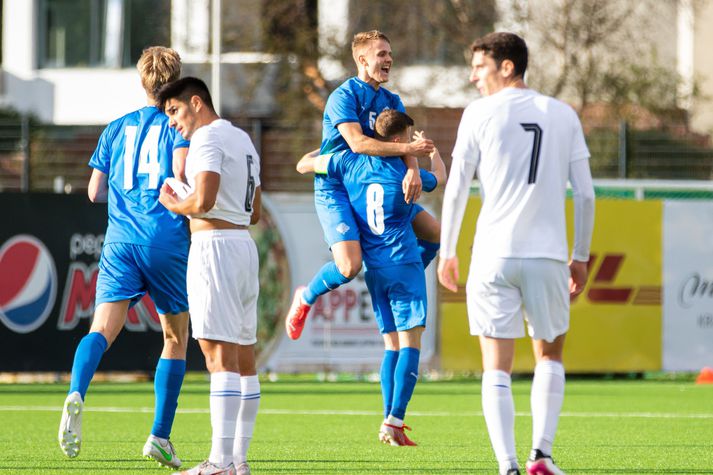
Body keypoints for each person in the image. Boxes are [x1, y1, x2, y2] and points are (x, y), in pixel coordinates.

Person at [437, 32, 595, 475]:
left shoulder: (478, 113)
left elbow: (457, 188)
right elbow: (585, 194)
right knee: (550, 356)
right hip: (547, 256)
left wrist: (449, 250)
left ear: (508, 67)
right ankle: (541, 456)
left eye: (480, 67)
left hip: (492, 256)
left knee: (496, 367)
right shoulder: (563, 114)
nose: (473, 78)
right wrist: (579, 255)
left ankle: (507, 465)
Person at [58, 46, 190, 469]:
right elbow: (186, 180)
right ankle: (159, 436)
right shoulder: (181, 128)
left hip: (120, 242)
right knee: (175, 339)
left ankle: (77, 390)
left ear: (142, 81)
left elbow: (95, 190)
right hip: (165, 240)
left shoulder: (116, 128)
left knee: (101, 329)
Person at [297, 109, 446, 446]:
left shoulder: (349, 163)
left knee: (391, 345)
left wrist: (322, 155)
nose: (410, 143)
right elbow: (440, 177)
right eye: (407, 138)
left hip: (374, 271)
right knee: (411, 345)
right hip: (404, 263)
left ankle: (388, 420)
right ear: (396, 140)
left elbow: (304, 164)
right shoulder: (407, 175)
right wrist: (432, 152)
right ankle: (394, 420)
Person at [285, 30, 441, 340]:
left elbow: (404, 138)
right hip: (337, 187)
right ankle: (305, 297)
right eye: (382, 54)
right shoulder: (343, 96)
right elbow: (356, 144)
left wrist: (411, 168)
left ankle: (398, 273)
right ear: (362, 59)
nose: (389, 59)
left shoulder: (392, 100)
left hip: (375, 182)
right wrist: (411, 153)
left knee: (436, 234)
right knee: (348, 267)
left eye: (390, 53)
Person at [157, 76, 261, 475]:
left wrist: (175, 201)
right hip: (243, 246)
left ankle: (219, 462)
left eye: (175, 111)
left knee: (218, 356)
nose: (173, 122)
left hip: (214, 247)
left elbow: (203, 200)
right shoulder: (244, 140)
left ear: (196, 102)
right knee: (243, 358)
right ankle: (237, 461)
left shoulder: (206, 139)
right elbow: (254, 211)